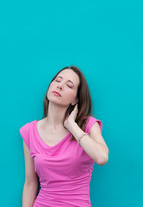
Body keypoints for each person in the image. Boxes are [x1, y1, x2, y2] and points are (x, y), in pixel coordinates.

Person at [19, 65, 109, 207]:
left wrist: (72, 126)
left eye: (69, 85)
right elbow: (30, 183)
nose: (60, 86)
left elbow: (102, 157)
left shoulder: (88, 125)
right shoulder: (29, 131)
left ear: (75, 100)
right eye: (57, 80)